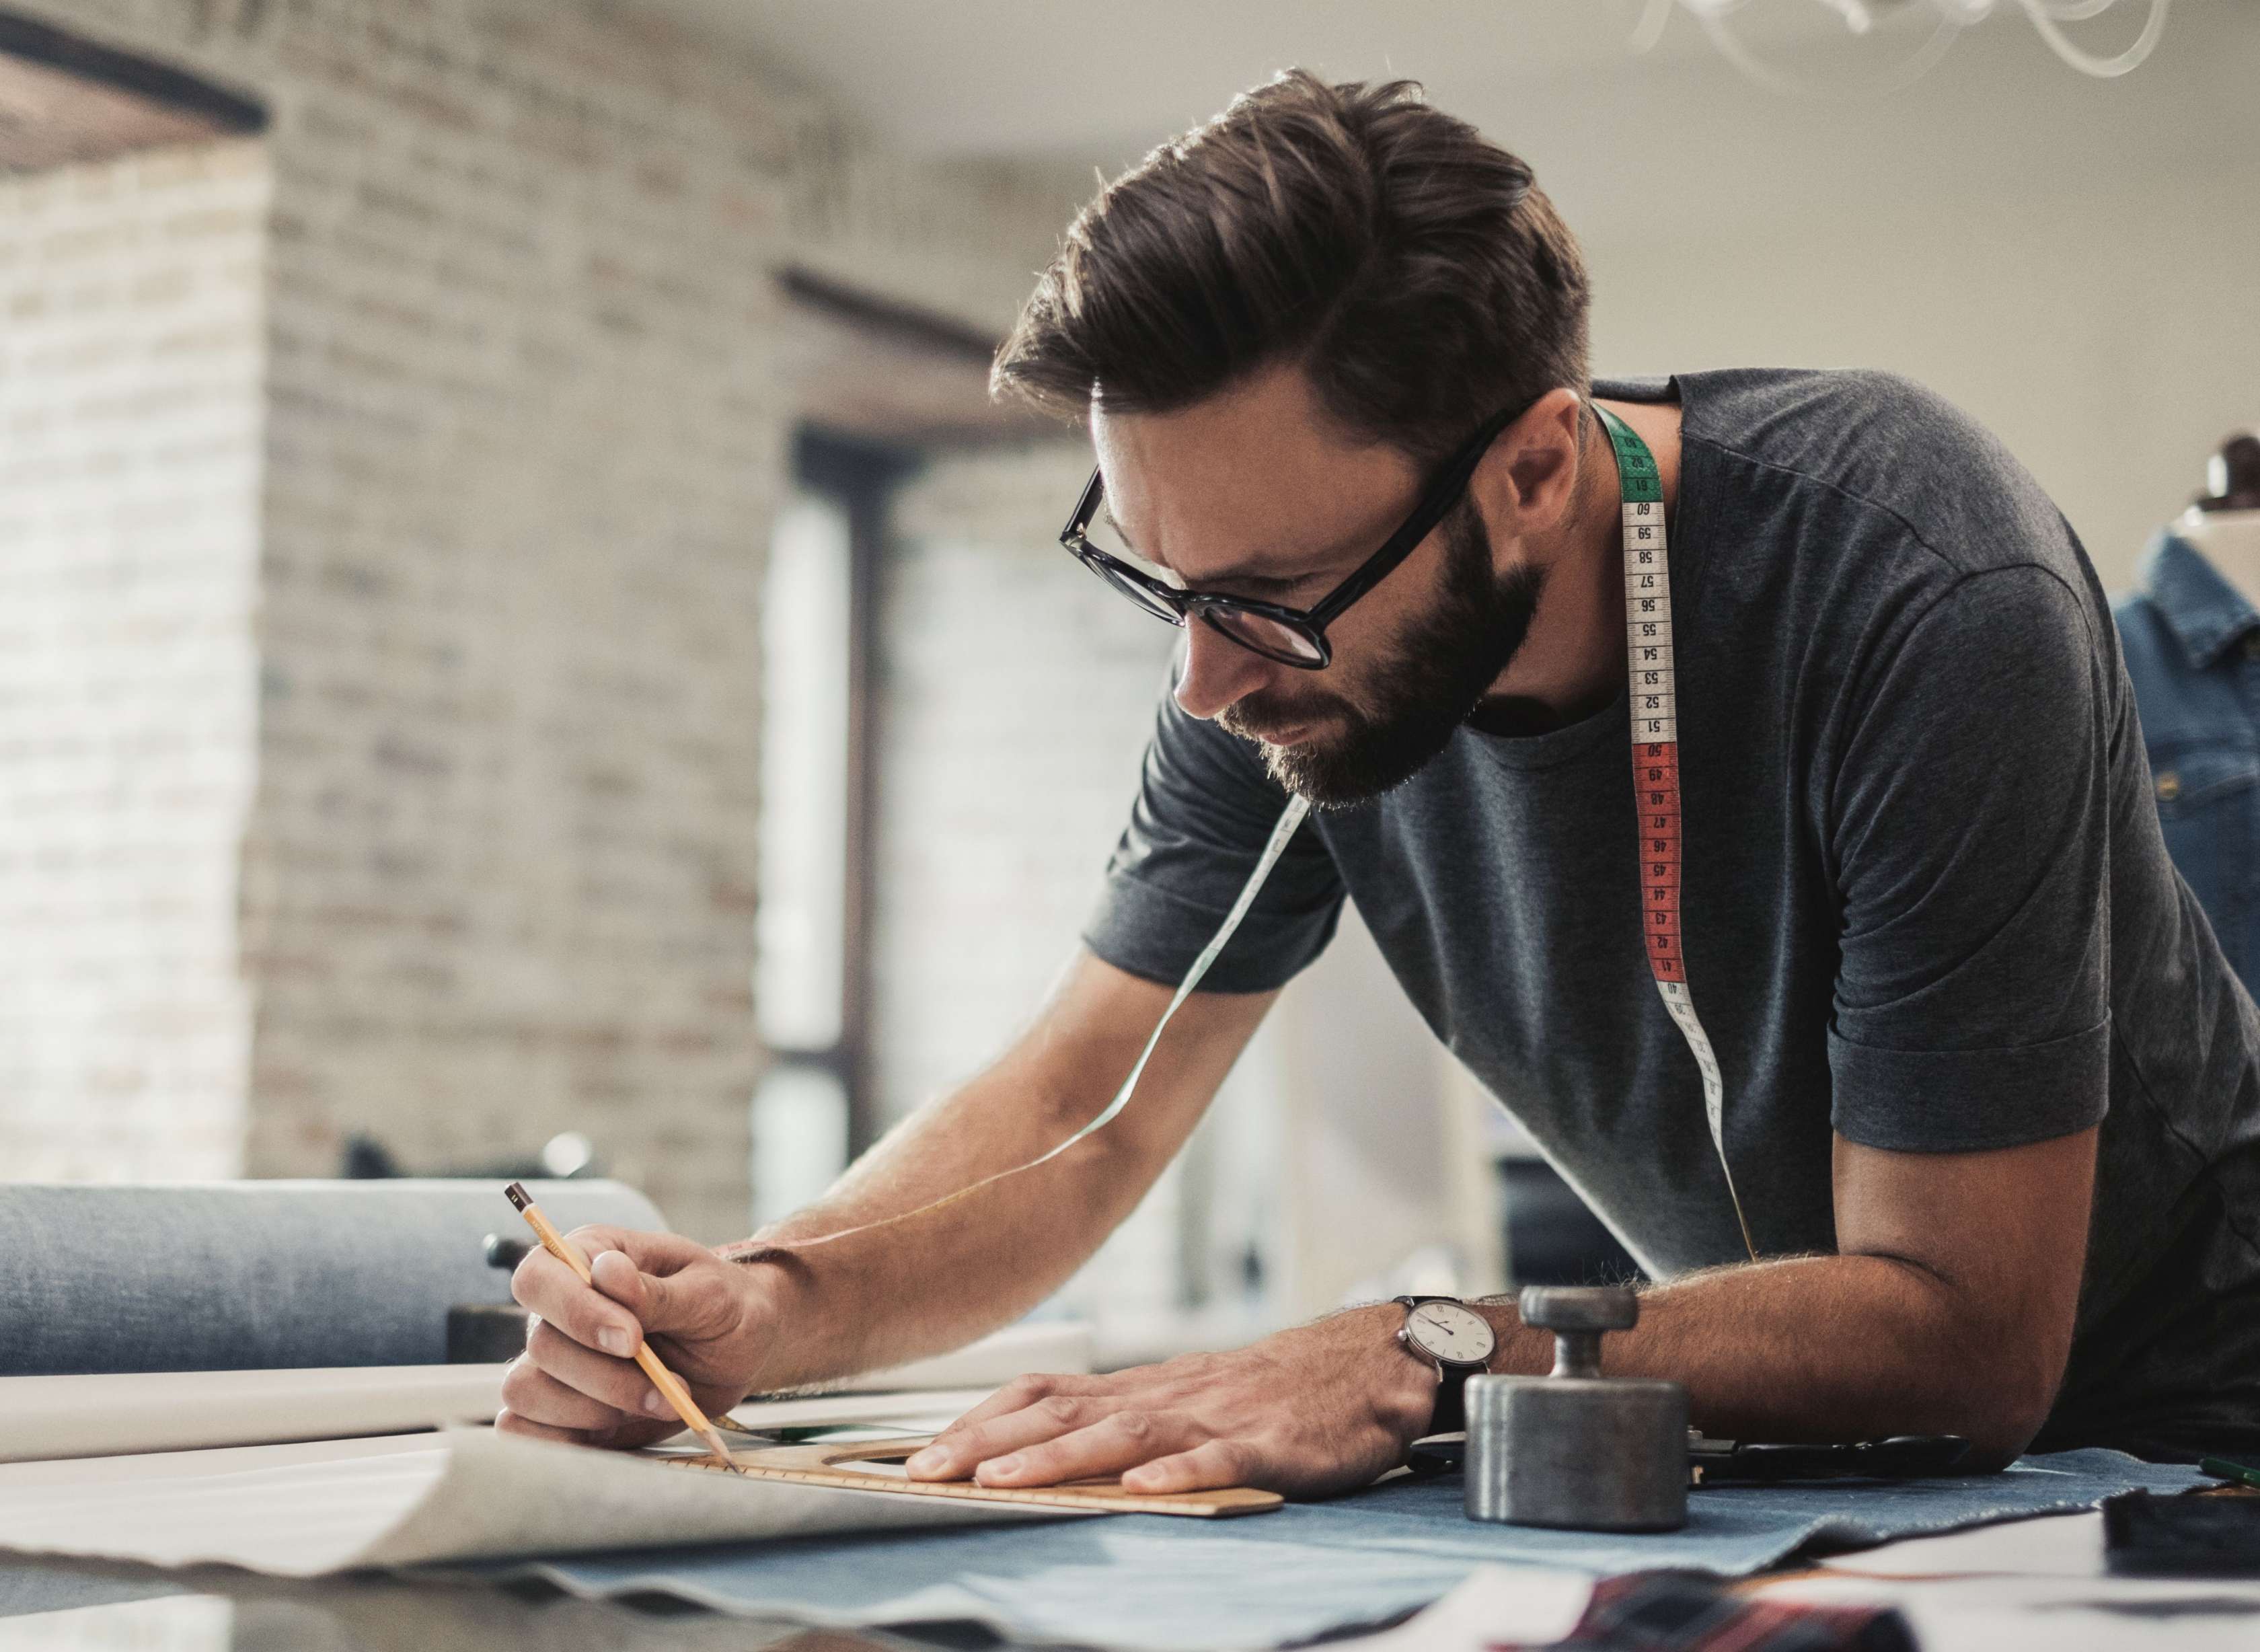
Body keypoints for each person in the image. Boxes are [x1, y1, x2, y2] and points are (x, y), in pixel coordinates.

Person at [500, 71, 2260, 1489]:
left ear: (1532, 471)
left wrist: (1423, 1344)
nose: (1201, 677)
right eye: (1159, 583)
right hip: (1755, 1447)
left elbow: (1968, 1337)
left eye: (1263, 602)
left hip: (2177, 1446)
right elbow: (1081, 1106)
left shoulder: (1925, 585)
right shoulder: (1263, 656)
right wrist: (767, 1302)